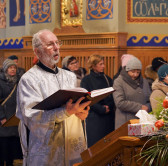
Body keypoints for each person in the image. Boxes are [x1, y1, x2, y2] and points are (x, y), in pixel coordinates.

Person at [16, 29, 91, 166]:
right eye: (50, 44)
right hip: (47, 154)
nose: (57, 48)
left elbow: (74, 109)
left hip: (73, 149)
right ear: (37, 52)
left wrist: (81, 113)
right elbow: (32, 118)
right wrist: (66, 112)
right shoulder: (29, 80)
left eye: (57, 43)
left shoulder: (69, 76)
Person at [80, 54, 115, 147]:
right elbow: (86, 98)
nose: (103, 66)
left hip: (108, 117)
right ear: (93, 66)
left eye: (103, 64)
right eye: (100, 64)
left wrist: (108, 107)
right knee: (95, 146)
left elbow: (113, 96)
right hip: (94, 117)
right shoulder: (86, 80)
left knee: (108, 146)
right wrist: (101, 109)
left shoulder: (108, 79)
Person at [113, 56, 151, 129]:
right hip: (125, 122)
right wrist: (140, 107)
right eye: (132, 72)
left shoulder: (144, 82)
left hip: (142, 122)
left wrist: (148, 107)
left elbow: (149, 99)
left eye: (138, 72)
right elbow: (120, 102)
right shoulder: (119, 82)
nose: (135, 75)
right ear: (127, 70)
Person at [0, 59, 22, 166]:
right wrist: (2, 117)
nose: (12, 69)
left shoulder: (19, 81)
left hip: (15, 117)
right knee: (3, 144)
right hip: (4, 118)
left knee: (13, 144)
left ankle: (10, 163)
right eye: (10, 67)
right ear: (5, 69)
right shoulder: (0, 82)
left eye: (14, 67)